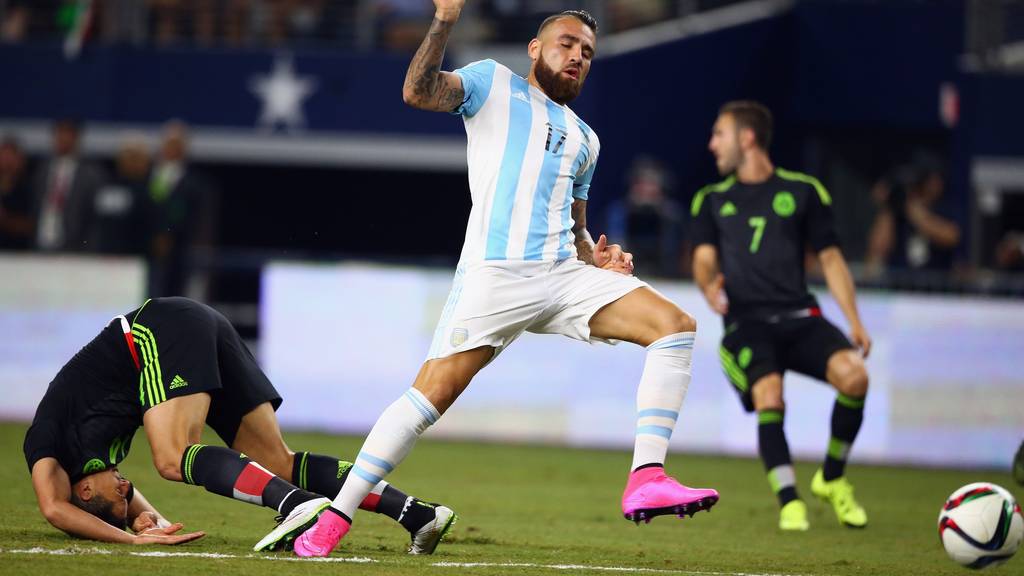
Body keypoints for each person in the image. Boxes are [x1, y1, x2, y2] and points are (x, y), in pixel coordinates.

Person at [290, 2, 719, 558]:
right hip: (496, 275)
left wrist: (600, 259)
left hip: (563, 276)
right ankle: (337, 517)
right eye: (566, 44)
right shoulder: (491, 83)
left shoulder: (586, 139)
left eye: (587, 52)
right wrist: (443, 22)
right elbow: (418, 93)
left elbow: (577, 228)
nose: (577, 57)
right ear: (536, 49)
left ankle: (646, 477)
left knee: (676, 326)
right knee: (430, 397)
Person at [25, 296, 456, 553]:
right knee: (276, 463)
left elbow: (54, 509)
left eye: (118, 498)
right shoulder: (99, 464)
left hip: (156, 330)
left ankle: (295, 505)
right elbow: (120, 502)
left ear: (83, 490)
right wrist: (151, 521)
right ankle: (418, 514)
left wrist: (132, 540)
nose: (126, 490)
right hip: (204, 326)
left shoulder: (46, 440)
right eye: (126, 496)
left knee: (172, 459)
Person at [690, 101, 871, 531]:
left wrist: (854, 320)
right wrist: (708, 282)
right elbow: (701, 258)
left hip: (800, 315)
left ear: (746, 138)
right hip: (747, 324)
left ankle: (831, 477)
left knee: (856, 377)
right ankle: (790, 500)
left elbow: (831, 259)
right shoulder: (712, 199)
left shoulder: (804, 191)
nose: (712, 144)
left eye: (720, 134)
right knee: (770, 395)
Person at [865, 155, 960, 276]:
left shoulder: (945, 207)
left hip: (935, 288)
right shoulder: (897, 211)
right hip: (900, 286)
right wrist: (889, 205)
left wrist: (913, 210)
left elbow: (951, 237)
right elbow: (877, 249)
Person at [30, 119, 107, 252]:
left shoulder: (92, 174)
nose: (64, 140)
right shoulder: (41, 170)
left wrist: (87, 246)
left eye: (68, 135)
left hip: (75, 247)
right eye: (60, 135)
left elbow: (94, 216)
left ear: (77, 139)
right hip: (41, 244)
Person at [0, 136, 34, 250]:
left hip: (20, 255)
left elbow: (33, 226)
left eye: (11, 157)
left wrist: (7, 221)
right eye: (3, 157)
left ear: (21, 160)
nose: (7, 163)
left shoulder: (30, 188)